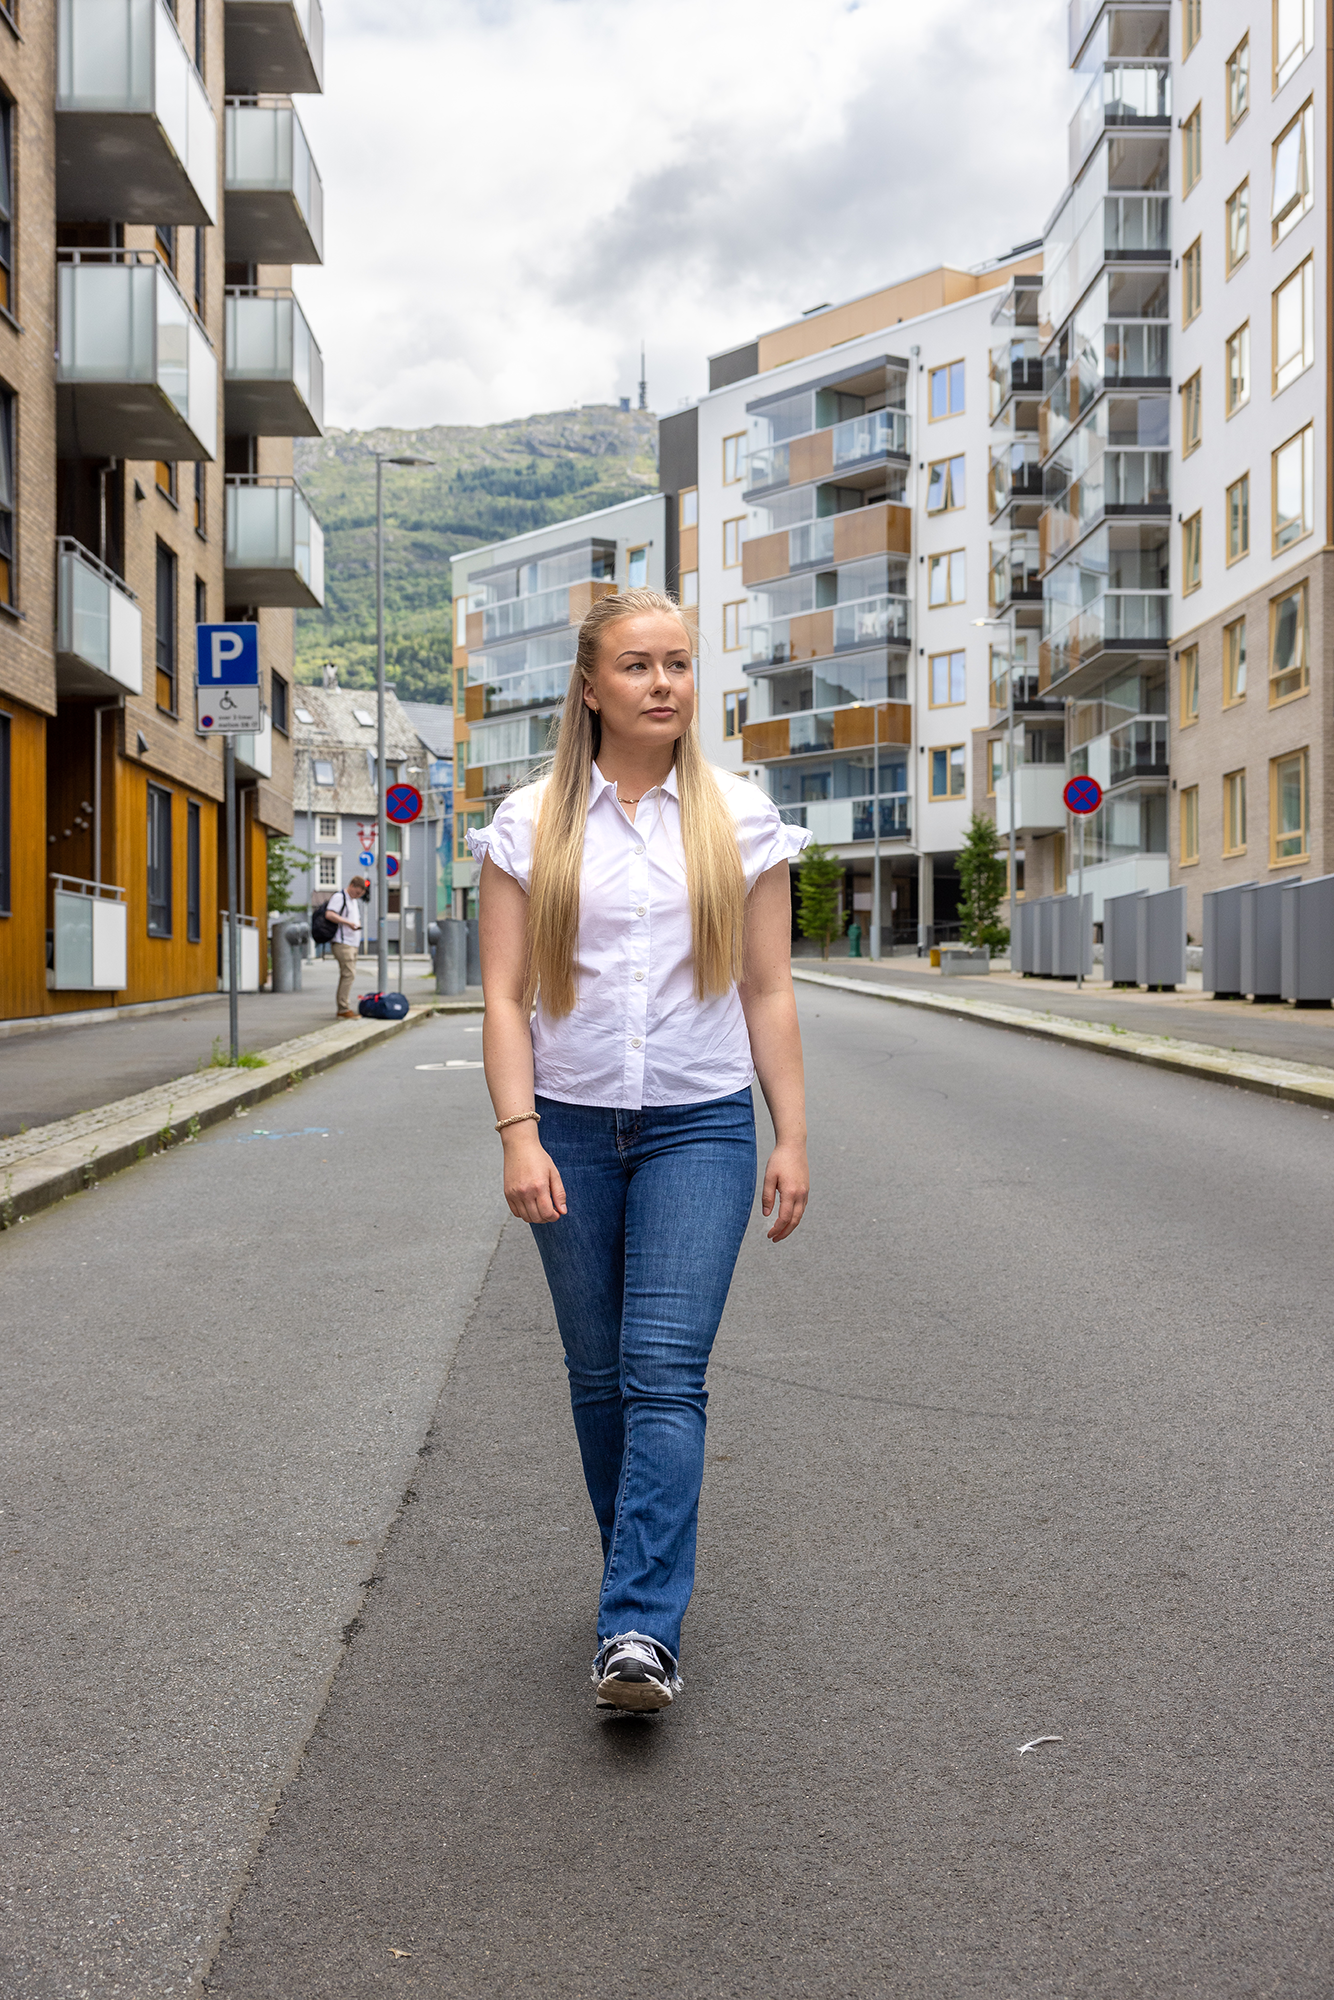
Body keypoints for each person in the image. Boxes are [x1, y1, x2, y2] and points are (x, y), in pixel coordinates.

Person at [471, 586, 810, 1714]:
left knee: (664, 1370)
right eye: (636, 665)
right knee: (599, 1376)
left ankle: (636, 1629)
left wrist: (789, 1132)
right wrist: (518, 1134)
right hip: (566, 1120)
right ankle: (640, 1580)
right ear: (588, 686)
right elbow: (504, 995)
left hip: (699, 1123)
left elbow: (767, 988)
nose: (662, 682)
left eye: (676, 663)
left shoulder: (741, 817)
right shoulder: (526, 823)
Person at [325, 875, 367, 1018]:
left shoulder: (353, 901)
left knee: (348, 974)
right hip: (342, 942)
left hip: (352, 942)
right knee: (348, 974)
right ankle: (343, 1008)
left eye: (360, 895)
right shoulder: (340, 897)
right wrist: (348, 923)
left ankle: (343, 1006)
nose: (357, 896)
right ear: (352, 886)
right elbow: (329, 914)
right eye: (357, 893)